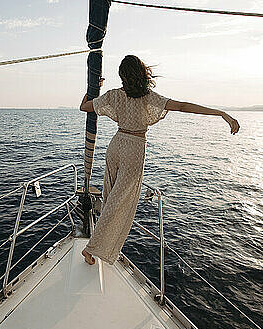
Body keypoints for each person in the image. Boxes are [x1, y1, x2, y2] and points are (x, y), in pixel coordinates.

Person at [79, 55, 240, 265]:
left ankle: (100, 247)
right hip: (134, 149)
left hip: (116, 145)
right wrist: (221, 114)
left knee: (111, 198)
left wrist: (94, 88)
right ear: (142, 73)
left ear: (122, 76)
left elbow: (84, 107)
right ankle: (93, 248)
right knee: (120, 203)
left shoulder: (113, 96)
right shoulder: (147, 97)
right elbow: (182, 106)